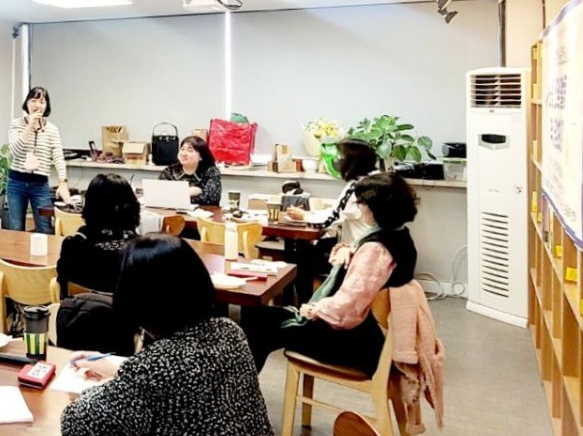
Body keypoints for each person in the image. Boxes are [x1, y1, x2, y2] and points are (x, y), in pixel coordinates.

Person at [47, 234, 291, 436]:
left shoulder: (156, 368)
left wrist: (111, 383)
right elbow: (184, 380)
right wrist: (122, 370)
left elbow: (78, 425)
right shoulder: (231, 333)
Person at [242, 172, 419, 374]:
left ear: (376, 207)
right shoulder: (399, 237)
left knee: (256, 322)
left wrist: (314, 309)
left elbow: (347, 310)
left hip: (352, 344)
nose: (359, 207)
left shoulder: (375, 250)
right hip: (366, 337)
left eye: (361, 202)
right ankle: (243, 390)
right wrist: (347, 250)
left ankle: (240, 394)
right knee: (261, 322)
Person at [287, 139, 380, 302]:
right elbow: (340, 211)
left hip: (355, 250)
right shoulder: (376, 180)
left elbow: (329, 220)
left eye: (340, 158)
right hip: (374, 245)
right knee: (313, 247)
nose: (336, 162)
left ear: (351, 161)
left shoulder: (357, 187)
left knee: (301, 253)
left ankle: (303, 304)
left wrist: (303, 216)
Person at [57, 173, 140, 294]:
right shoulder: (143, 251)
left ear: (89, 205)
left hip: (82, 310)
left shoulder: (74, 246)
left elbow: (62, 286)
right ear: (132, 206)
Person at [7, 86, 70, 233]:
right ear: (27, 103)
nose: (37, 105)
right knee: (16, 229)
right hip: (16, 183)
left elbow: (58, 157)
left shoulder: (52, 129)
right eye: (33, 100)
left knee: (45, 229)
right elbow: (15, 151)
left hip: (40, 185)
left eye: (42, 101)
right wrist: (30, 126)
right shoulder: (16, 124)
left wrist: (63, 183)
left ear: (46, 105)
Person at [156, 135, 221, 206]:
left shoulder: (211, 171)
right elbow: (160, 195)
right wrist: (191, 192)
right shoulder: (170, 171)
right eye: (182, 149)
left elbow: (212, 198)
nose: (184, 154)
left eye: (189, 150)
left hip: (202, 215)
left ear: (201, 157)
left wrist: (177, 197)